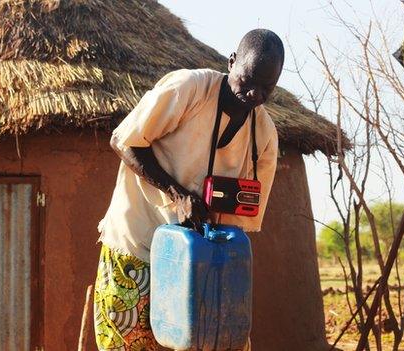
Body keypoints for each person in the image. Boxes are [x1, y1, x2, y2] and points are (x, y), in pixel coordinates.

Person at [93, 29, 284, 350]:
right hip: (139, 251)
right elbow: (124, 140)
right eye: (248, 81)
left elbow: (246, 214)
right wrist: (179, 195)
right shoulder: (189, 89)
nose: (254, 95)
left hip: (200, 265)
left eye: (266, 88)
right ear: (232, 61)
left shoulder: (263, 134)